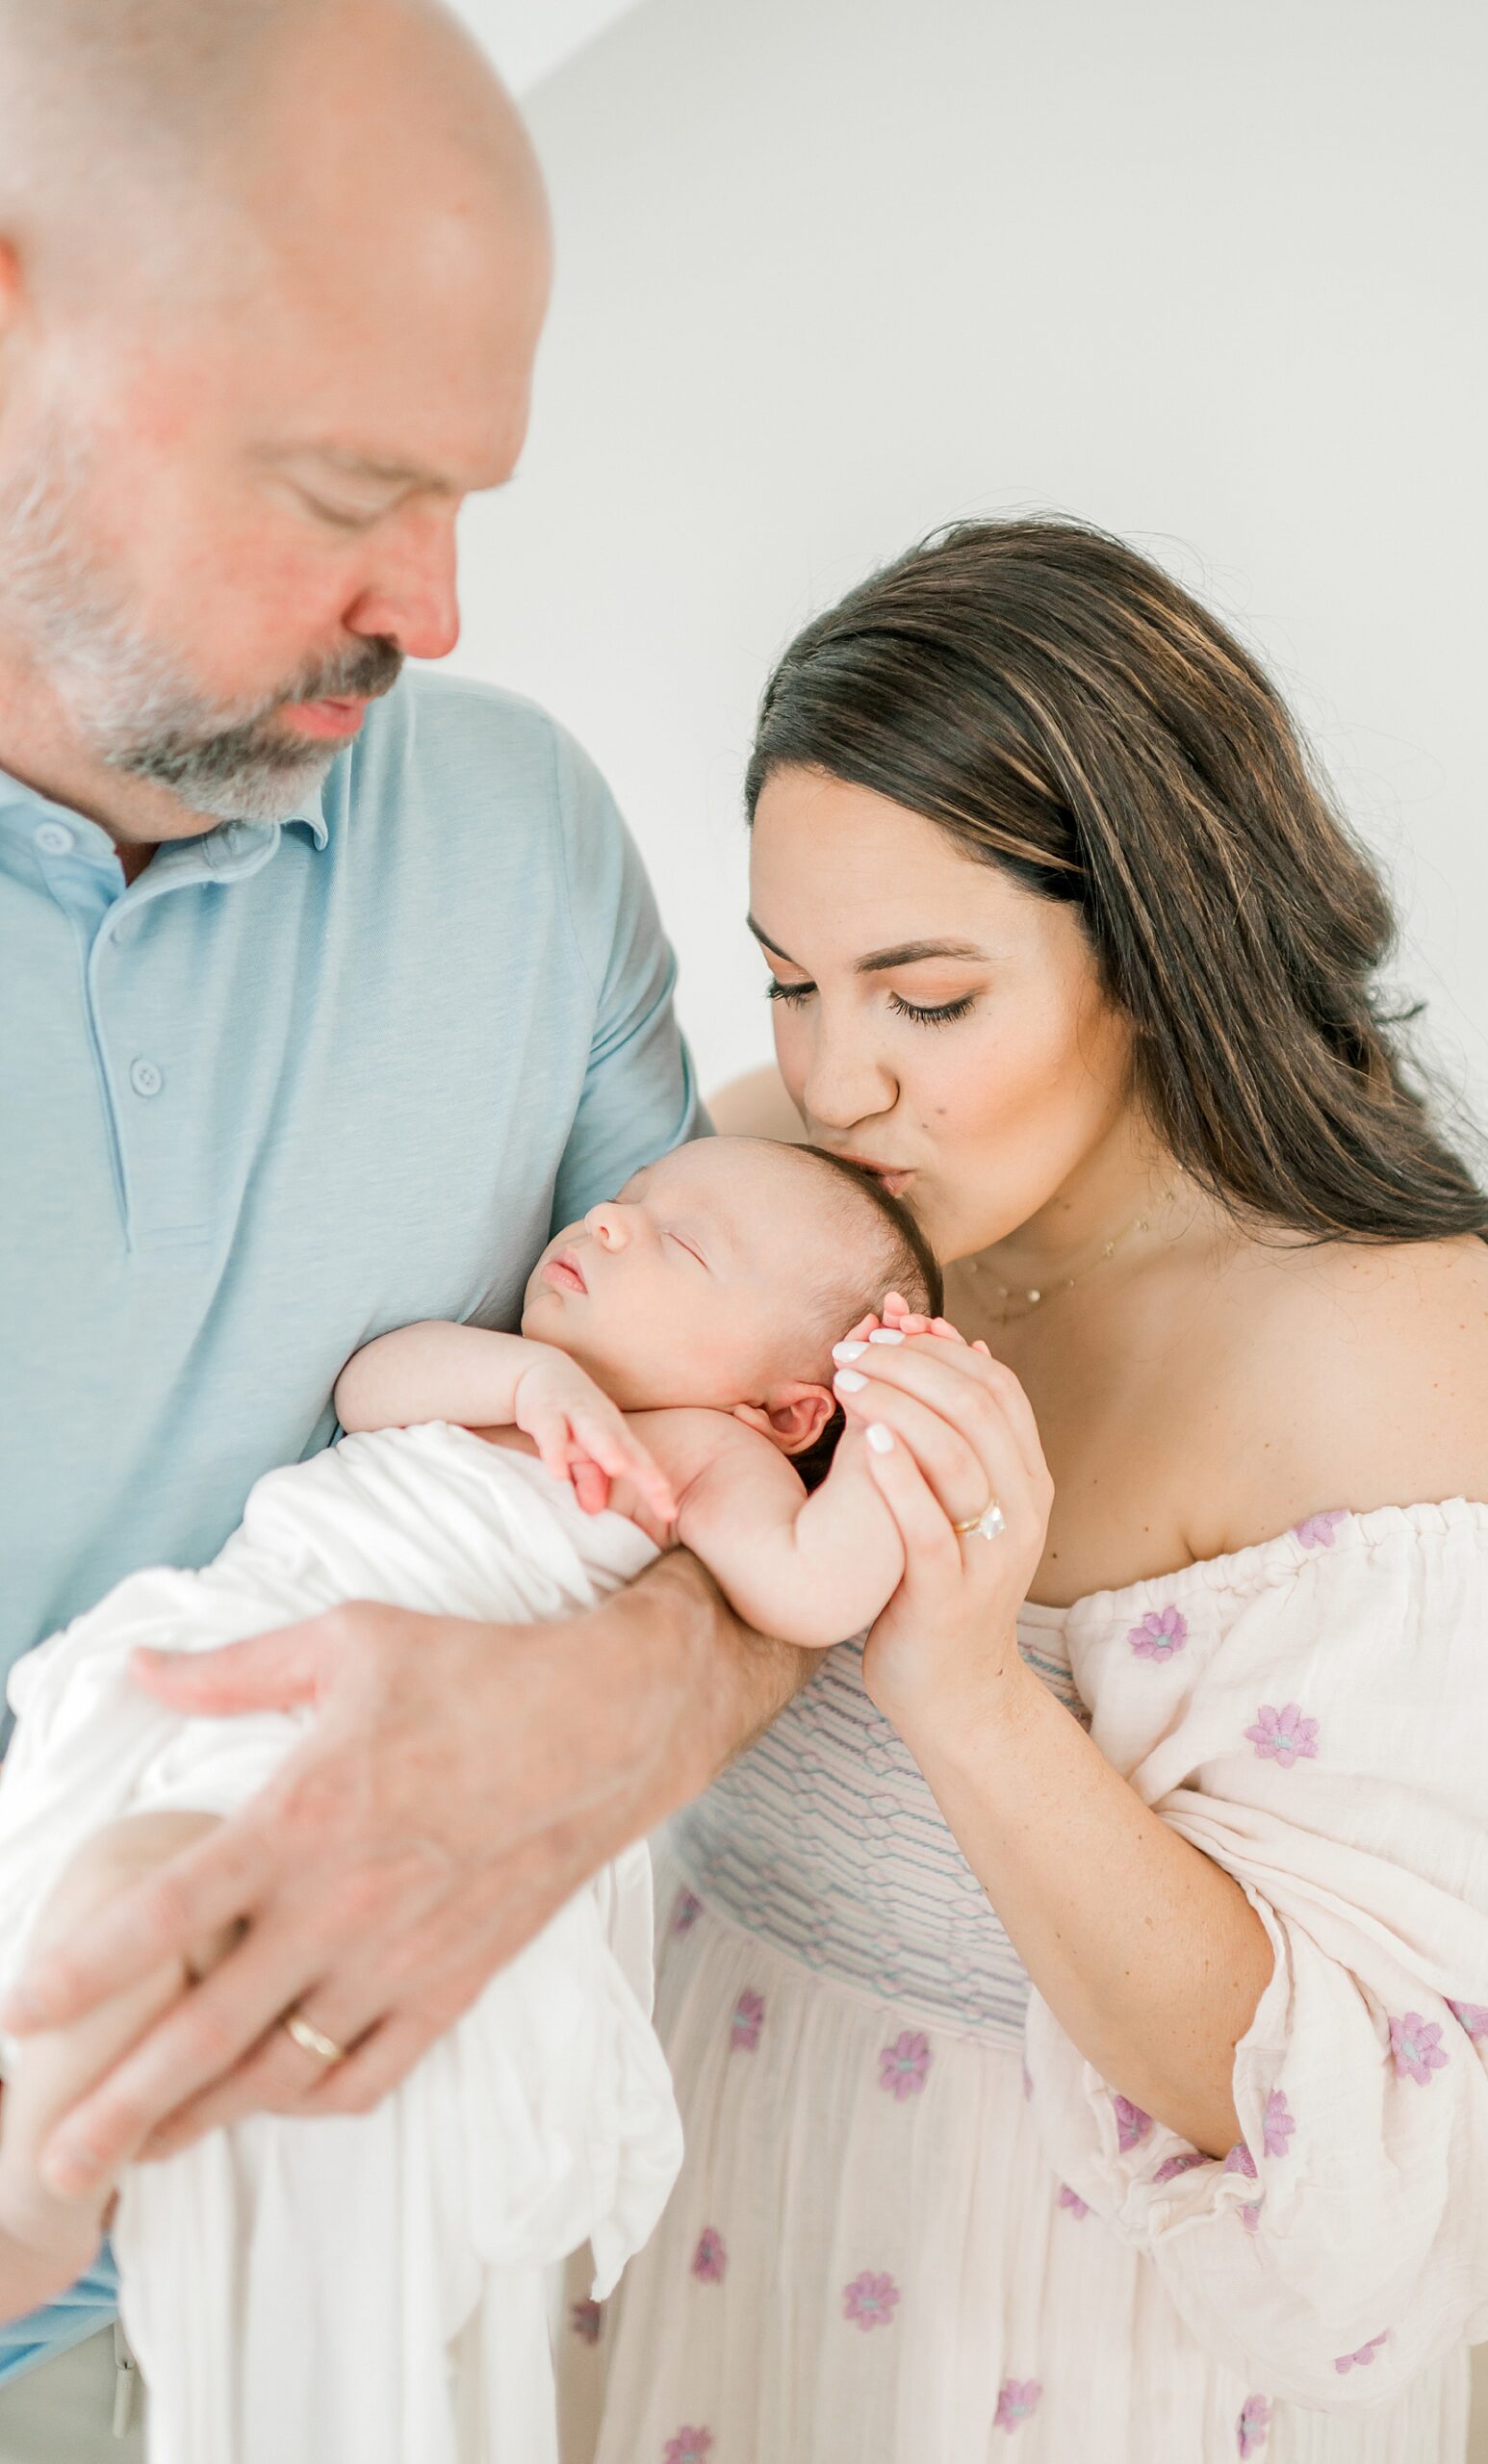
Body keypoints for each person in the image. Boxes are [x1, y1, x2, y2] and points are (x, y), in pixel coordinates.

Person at [563, 517, 1488, 2464]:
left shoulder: (1382, 1365)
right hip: (720, 2184)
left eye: (929, 994)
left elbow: (1371, 2150)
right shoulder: (789, 1208)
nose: (838, 1074)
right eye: (792, 978)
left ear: (1156, 947)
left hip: (1074, 2334)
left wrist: (968, 1691)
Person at [0, 3, 818, 2451]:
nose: (440, 605)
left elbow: (754, 1457)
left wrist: (582, 1718)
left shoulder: (522, 840)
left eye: (470, 491)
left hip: (323, 2302)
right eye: (354, 482)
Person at [0, 1137, 940, 2461]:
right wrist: (525, 1375)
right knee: (120, 1880)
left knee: (151, 1890)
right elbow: (366, 1383)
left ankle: (42, 2179)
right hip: (259, 1647)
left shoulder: (705, 1459)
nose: (612, 1227)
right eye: (629, 1206)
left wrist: (900, 1416)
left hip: (403, 1757)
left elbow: (819, 1590)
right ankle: (44, 2128)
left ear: (788, 1410)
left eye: (678, 1246)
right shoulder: (499, 1371)